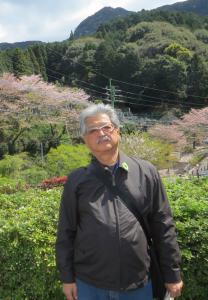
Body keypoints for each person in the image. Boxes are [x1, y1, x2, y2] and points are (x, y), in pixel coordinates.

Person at [55, 104, 183, 300]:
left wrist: (172, 274)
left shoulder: (146, 172)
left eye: (107, 127)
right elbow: (66, 232)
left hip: (137, 282)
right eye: (93, 130)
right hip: (89, 284)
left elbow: (163, 226)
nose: (102, 133)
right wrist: (67, 278)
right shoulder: (77, 180)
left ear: (118, 131)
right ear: (85, 139)